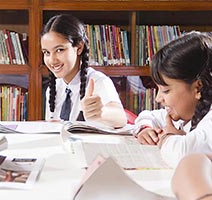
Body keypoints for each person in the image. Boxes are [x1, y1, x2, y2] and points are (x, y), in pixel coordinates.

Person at [134, 32, 212, 167]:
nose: (158, 98)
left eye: (165, 90)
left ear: (198, 87)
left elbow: (184, 154)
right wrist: (146, 129)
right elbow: (148, 115)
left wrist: (166, 137)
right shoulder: (187, 113)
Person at [41, 14, 126, 128]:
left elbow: (120, 118)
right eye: (46, 52)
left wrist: (100, 113)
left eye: (59, 50)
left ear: (79, 47)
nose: (52, 60)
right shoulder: (53, 88)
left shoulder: (98, 82)